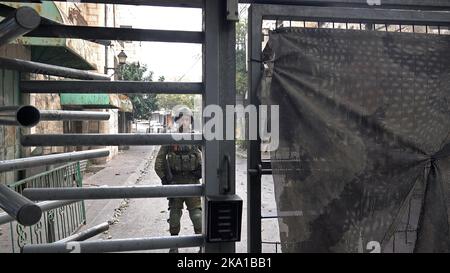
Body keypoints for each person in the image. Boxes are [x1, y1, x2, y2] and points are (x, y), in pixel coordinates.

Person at [154, 106, 202, 253]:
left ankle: (201, 245)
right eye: (182, 119)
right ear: (177, 121)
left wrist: (201, 171)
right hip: (174, 183)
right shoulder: (170, 139)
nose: (185, 122)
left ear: (191, 121)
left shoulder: (196, 138)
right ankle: (174, 246)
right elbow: (159, 163)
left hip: (193, 183)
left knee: (197, 215)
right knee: (174, 215)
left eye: (187, 119)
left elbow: (209, 158)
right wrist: (165, 180)